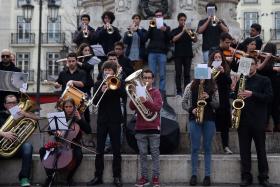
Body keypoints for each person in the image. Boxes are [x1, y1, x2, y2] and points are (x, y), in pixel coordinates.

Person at [233, 56, 272, 187]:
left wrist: (252, 94)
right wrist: (233, 90)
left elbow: (269, 97)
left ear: (256, 65)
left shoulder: (264, 80)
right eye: (247, 65)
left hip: (258, 121)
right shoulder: (241, 80)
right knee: (244, 151)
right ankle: (246, 177)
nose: (249, 67)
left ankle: (263, 177)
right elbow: (236, 98)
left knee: (261, 150)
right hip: (243, 121)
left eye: (252, 64)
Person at [87, 61, 126, 187]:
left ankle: (117, 176)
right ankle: (98, 176)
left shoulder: (118, 82)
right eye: (106, 70)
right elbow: (94, 102)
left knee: (116, 150)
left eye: (110, 70)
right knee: (99, 150)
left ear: (114, 72)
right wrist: (101, 91)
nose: (107, 72)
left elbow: (124, 95)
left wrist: (116, 85)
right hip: (102, 120)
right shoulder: (98, 84)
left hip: (115, 120)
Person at [40, 98, 91, 187]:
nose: (68, 109)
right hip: (58, 143)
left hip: (73, 144)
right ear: (63, 107)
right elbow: (49, 130)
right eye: (66, 107)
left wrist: (80, 119)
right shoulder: (60, 116)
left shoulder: (78, 117)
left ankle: (69, 178)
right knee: (42, 150)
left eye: (70, 107)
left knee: (79, 155)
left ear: (74, 107)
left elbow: (88, 130)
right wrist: (55, 131)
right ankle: (49, 176)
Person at [182, 78, 219, 186]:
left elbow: (217, 104)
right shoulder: (190, 86)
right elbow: (183, 103)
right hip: (194, 119)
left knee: (207, 147)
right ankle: (194, 175)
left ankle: (207, 176)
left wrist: (209, 98)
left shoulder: (213, 86)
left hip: (209, 119)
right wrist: (191, 110)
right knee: (195, 147)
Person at [130, 69, 163, 187]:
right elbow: (132, 107)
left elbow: (157, 107)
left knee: (155, 153)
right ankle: (144, 177)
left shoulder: (156, 92)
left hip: (153, 127)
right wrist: (135, 95)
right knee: (143, 154)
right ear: (142, 79)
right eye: (145, 78)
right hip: (140, 127)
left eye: (149, 78)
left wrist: (146, 101)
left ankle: (155, 177)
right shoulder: (138, 91)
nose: (147, 80)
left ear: (153, 79)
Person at [0, 94, 38, 187]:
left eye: (15, 103)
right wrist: (3, 133)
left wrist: (26, 114)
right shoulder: (0, 114)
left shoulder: (19, 114)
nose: (13, 105)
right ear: (5, 105)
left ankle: (24, 178)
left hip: (14, 147)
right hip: (1, 147)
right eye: (10, 103)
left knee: (28, 146)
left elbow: (37, 118)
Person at [208, 50, 233, 154]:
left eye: (219, 57)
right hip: (212, 101)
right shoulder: (209, 70)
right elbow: (205, 83)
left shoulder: (226, 69)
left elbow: (229, 82)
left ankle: (226, 146)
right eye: (215, 57)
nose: (217, 59)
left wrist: (222, 73)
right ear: (212, 59)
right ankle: (209, 147)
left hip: (223, 101)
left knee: (224, 126)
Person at [171, 12, 198, 96]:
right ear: (178, 21)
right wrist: (183, 31)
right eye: (181, 20)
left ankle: (186, 91)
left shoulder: (189, 31)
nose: (183, 21)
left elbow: (195, 40)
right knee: (178, 73)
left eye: (184, 20)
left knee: (187, 74)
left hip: (188, 55)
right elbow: (174, 40)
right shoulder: (175, 30)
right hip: (178, 55)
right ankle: (179, 91)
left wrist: (191, 32)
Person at [146, 9, 170, 97]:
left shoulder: (167, 27)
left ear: (163, 17)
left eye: (160, 15)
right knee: (152, 74)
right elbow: (146, 38)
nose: (158, 17)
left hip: (162, 53)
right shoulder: (152, 26)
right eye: (157, 16)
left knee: (162, 74)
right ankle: (153, 92)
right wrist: (151, 27)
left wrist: (165, 31)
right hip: (152, 53)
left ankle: (162, 92)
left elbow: (170, 39)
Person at [256, 43, 280, 132]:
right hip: (268, 85)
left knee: (274, 105)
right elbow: (260, 69)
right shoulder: (263, 59)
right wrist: (273, 67)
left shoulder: (272, 60)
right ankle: (272, 125)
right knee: (271, 105)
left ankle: (275, 125)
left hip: (274, 85)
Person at [76, 43, 95, 123]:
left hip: (87, 84)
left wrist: (78, 63)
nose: (87, 52)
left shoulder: (91, 59)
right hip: (78, 83)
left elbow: (88, 67)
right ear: (81, 51)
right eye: (85, 50)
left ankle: (87, 124)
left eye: (88, 50)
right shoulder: (78, 58)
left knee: (85, 105)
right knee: (77, 105)